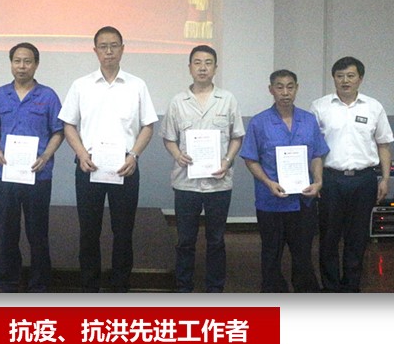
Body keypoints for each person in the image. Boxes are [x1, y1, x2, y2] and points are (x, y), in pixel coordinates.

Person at [59, 26, 158, 292]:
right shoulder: (81, 85)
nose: (109, 51)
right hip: (88, 165)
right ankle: (89, 288)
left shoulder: (137, 85)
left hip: (125, 166)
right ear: (95, 51)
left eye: (114, 45)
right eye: (103, 46)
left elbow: (148, 125)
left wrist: (134, 155)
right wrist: (81, 153)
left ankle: (120, 287)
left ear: (123, 49)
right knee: (89, 231)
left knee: (123, 232)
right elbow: (68, 124)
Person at [161, 45, 244, 293]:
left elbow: (237, 136)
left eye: (208, 63)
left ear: (215, 68)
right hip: (186, 183)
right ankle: (184, 287)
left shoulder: (227, 100)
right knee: (185, 240)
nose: (203, 68)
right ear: (190, 67)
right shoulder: (178, 101)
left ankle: (214, 288)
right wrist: (178, 155)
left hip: (219, 182)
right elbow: (168, 138)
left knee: (216, 240)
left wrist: (227, 160)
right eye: (197, 62)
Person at [0, 43, 65, 293]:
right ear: (11, 64)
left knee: (37, 233)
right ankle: (7, 280)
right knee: (7, 231)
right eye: (17, 61)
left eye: (27, 61)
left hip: (37, 175)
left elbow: (58, 131)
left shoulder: (48, 96)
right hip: (6, 174)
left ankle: (39, 284)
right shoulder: (0, 95)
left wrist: (46, 155)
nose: (22, 66)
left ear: (36, 64)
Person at [311, 56, 394, 293]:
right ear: (333, 78)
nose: (345, 81)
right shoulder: (319, 107)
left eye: (350, 76)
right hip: (330, 179)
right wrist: (317, 180)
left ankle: (351, 287)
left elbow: (384, 145)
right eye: (340, 76)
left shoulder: (374, 107)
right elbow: (313, 148)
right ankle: (331, 287)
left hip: (364, 179)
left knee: (357, 238)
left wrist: (385, 179)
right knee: (329, 237)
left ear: (360, 78)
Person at [241, 69, 328, 293]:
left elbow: (317, 154)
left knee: (303, 252)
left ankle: (305, 293)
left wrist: (318, 181)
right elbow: (250, 159)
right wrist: (268, 182)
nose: (285, 92)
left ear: (297, 89)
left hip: (303, 200)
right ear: (271, 90)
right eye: (279, 87)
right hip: (271, 200)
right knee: (271, 253)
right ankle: (273, 294)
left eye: (290, 87)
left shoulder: (308, 120)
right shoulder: (259, 122)